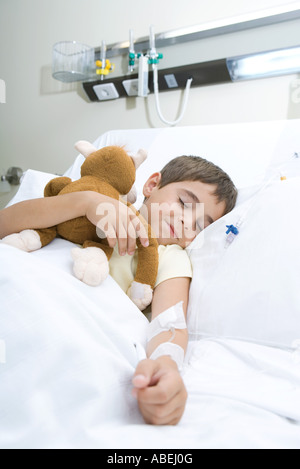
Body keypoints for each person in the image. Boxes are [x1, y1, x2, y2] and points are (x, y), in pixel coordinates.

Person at [0, 155, 237, 425]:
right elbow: (4, 224)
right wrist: (86, 202)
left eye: (199, 225)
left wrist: (167, 365)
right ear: (152, 184)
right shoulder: (94, 204)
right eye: (184, 203)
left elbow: (169, 323)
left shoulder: (170, 256)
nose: (186, 221)